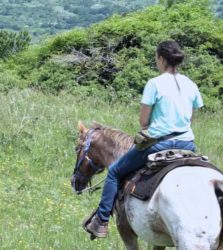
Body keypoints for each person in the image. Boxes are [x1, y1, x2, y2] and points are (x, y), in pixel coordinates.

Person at [84, 40, 204, 238]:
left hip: (159, 143)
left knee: (114, 172)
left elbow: (143, 121)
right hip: (187, 144)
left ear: (161, 59)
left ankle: (101, 221)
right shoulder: (191, 84)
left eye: (157, 59)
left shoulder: (154, 83)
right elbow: (191, 118)